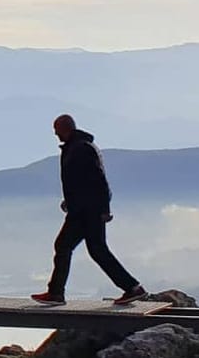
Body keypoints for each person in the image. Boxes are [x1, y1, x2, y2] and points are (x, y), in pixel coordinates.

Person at [31, 114, 147, 306]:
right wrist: (69, 201)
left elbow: (98, 180)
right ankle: (133, 288)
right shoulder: (77, 147)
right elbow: (82, 181)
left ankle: (56, 293)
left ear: (65, 128)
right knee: (96, 250)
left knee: (65, 246)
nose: (55, 134)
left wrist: (104, 209)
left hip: (86, 211)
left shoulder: (81, 148)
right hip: (83, 208)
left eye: (56, 129)